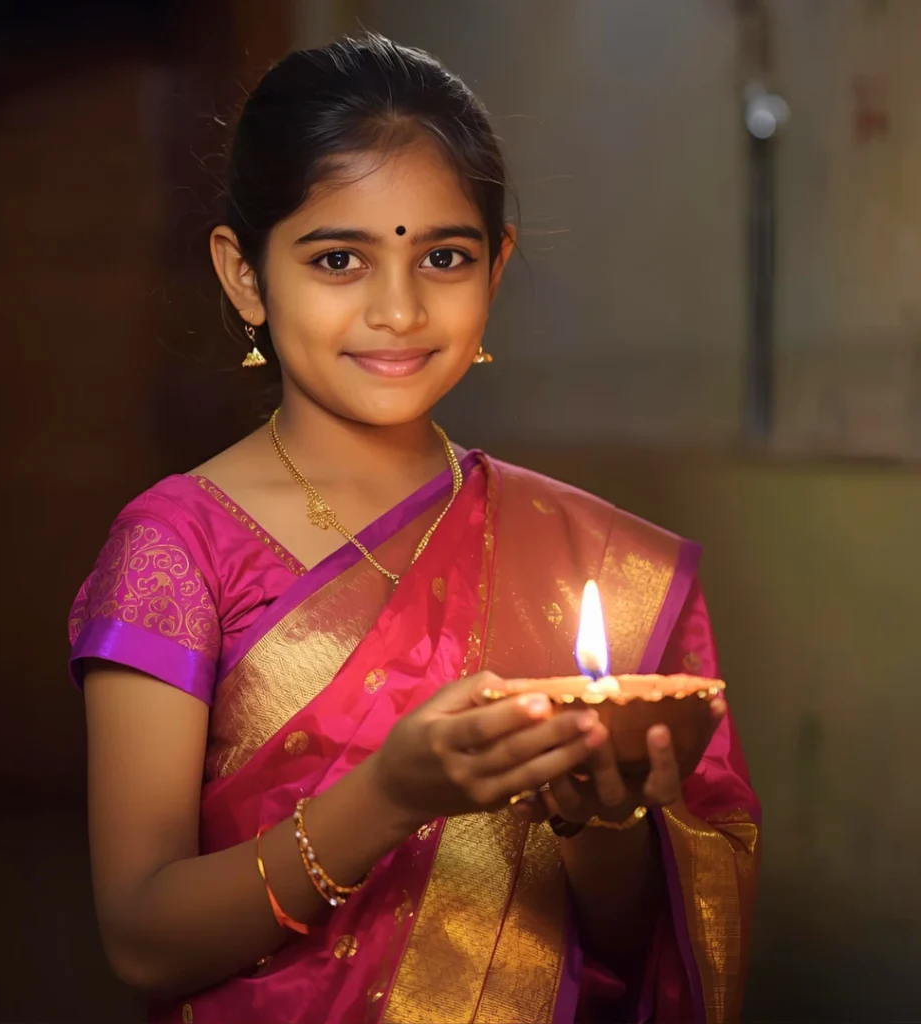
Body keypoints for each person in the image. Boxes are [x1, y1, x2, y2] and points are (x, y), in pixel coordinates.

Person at [68, 33, 760, 1024]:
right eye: (339, 258)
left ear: (496, 265)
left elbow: (629, 942)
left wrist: (599, 825)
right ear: (245, 275)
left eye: (442, 256)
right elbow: (141, 938)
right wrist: (390, 796)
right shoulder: (177, 550)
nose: (397, 309)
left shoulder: (588, 558)